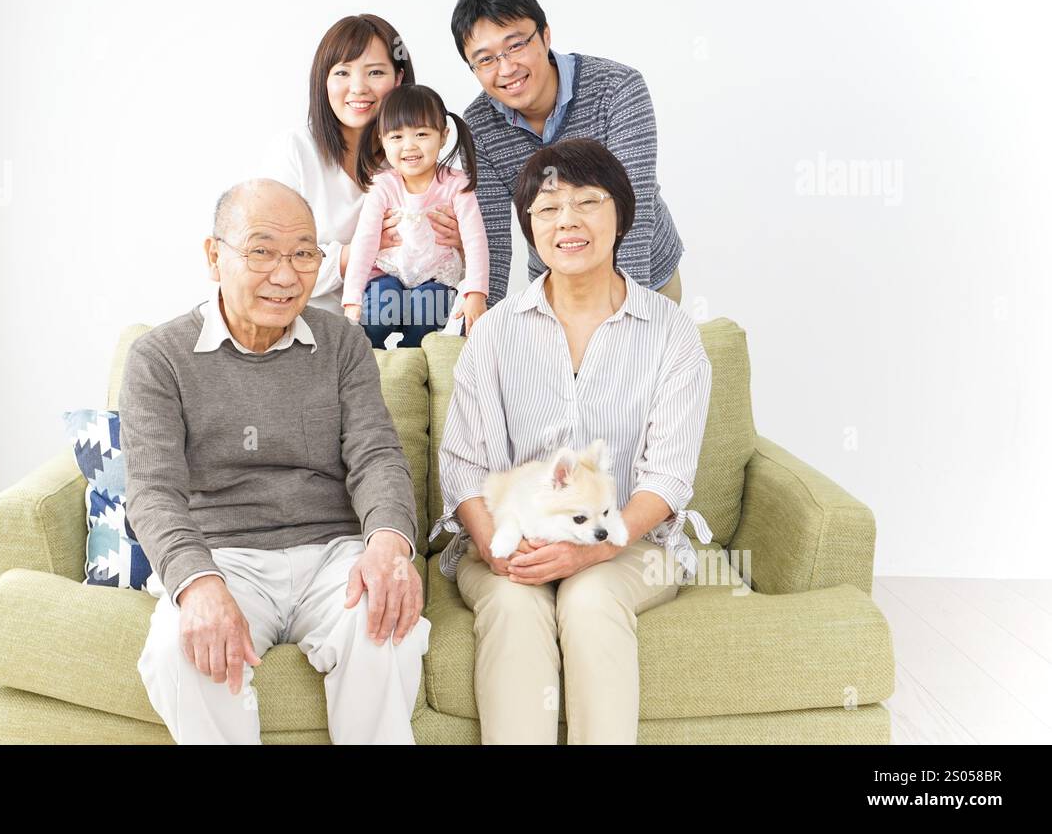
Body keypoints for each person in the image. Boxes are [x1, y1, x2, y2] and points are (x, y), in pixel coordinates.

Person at [122, 178, 431, 744]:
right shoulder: (159, 357)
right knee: (180, 651)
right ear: (214, 256)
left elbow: (376, 454)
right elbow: (153, 492)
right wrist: (196, 583)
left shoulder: (342, 343)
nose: (286, 275)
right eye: (261, 251)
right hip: (224, 556)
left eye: (303, 253)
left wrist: (387, 543)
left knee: (386, 627)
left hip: (334, 553)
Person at [430, 139, 711, 744]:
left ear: (621, 217)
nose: (569, 221)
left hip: (635, 541)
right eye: (549, 208)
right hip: (509, 538)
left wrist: (598, 547)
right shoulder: (495, 332)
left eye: (588, 202)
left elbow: (667, 477)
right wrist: (501, 551)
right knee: (511, 605)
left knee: (589, 602)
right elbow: (462, 469)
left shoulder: (672, 335)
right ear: (530, 228)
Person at [451, 0, 685, 307]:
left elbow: (633, 209)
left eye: (515, 45)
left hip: (646, 277)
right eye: (486, 59)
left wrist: (634, 313)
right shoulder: (477, 126)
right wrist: (483, 322)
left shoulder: (617, 88)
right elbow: (493, 239)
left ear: (545, 36)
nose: (506, 68)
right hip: (558, 287)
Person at [261, 14, 466, 314]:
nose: (358, 88)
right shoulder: (295, 151)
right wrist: (362, 249)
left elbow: (443, 278)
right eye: (343, 73)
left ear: (398, 79)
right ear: (324, 80)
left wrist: (456, 246)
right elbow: (268, 266)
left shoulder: (416, 159)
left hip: (396, 330)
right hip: (305, 328)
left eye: (375, 72)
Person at [341, 84, 489, 348]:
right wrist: (352, 299)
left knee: (427, 310)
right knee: (378, 306)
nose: (409, 146)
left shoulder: (457, 186)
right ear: (382, 139)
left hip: (435, 277)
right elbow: (364, 243)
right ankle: (370, 360)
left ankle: (412, 360)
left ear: (443, 136)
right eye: (396, 137)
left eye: (421, 134)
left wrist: (475, 292)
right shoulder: (382, 186)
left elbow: (476, 240)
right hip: (389, 274)